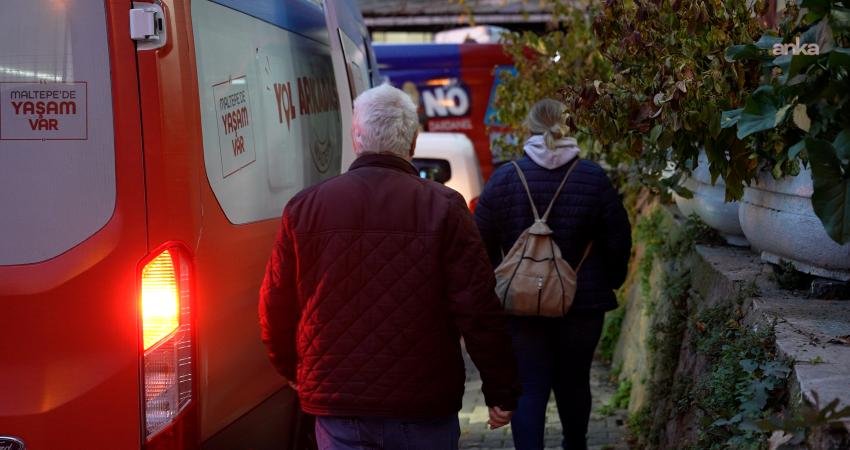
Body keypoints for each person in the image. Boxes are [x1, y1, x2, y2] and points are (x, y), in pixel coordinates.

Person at [259, 84, 520, 450]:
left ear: (356, 138)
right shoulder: (445, 207)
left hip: (338, 402)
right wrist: (501, 389)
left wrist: (294, 370)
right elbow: (477, 309)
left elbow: (275, 307)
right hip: (423, 403)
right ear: (412, 143)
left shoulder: (305, 208)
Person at [473, 99, 632, 450]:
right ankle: (575, 445)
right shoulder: (593, 177)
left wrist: (497, 285)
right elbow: (619, 238)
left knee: (528, 385)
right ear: (568, 127)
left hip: (520, 304)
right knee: (575, 382)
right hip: (582, 304)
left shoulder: (504, 178)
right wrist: (610, 281)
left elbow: (478, 242)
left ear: (528, 129)